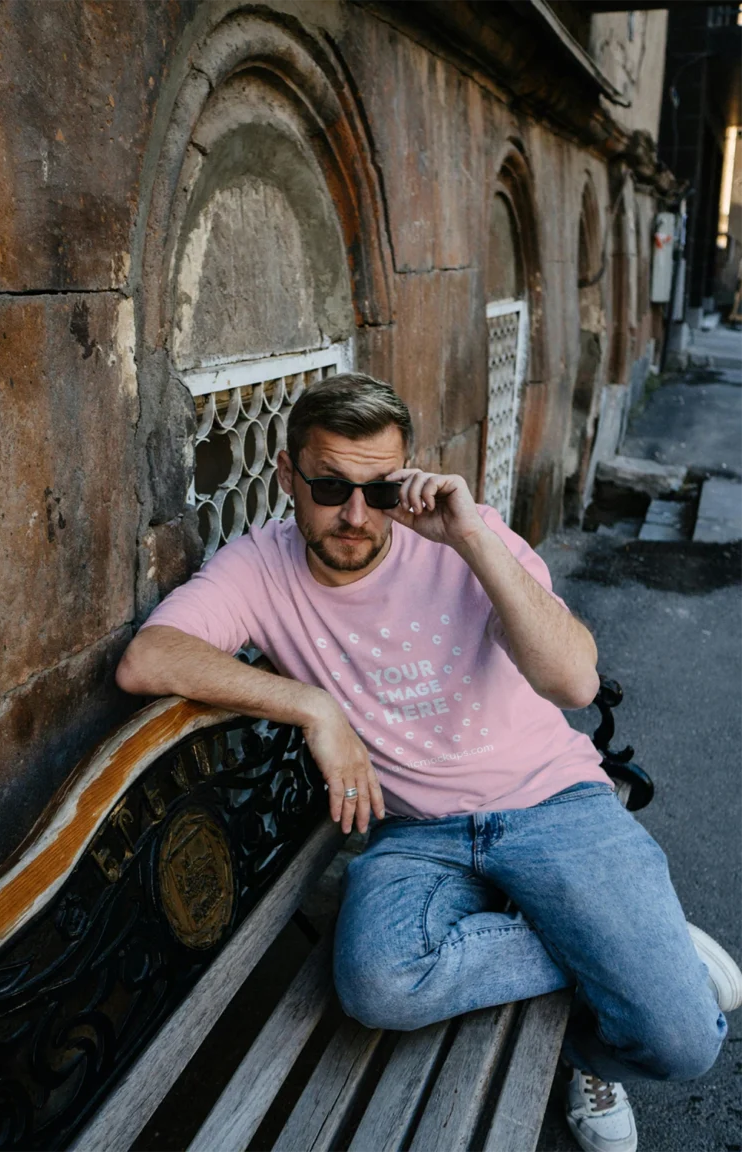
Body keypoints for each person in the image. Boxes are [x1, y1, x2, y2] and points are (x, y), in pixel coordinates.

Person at [116, 373, 741, 1152]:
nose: (353, 516)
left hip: (554, 800)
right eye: (328, 486)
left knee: (685, 1041)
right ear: (286, 476)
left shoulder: (463, 539)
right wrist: (315, 706)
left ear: (406, 476)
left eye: (377, 492)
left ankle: (589, 1046)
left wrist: (474, 539)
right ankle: (624, 945)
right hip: (418, 834)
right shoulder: (260, 567)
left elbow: (574, 680)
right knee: (377, 982)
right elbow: (149, 658)